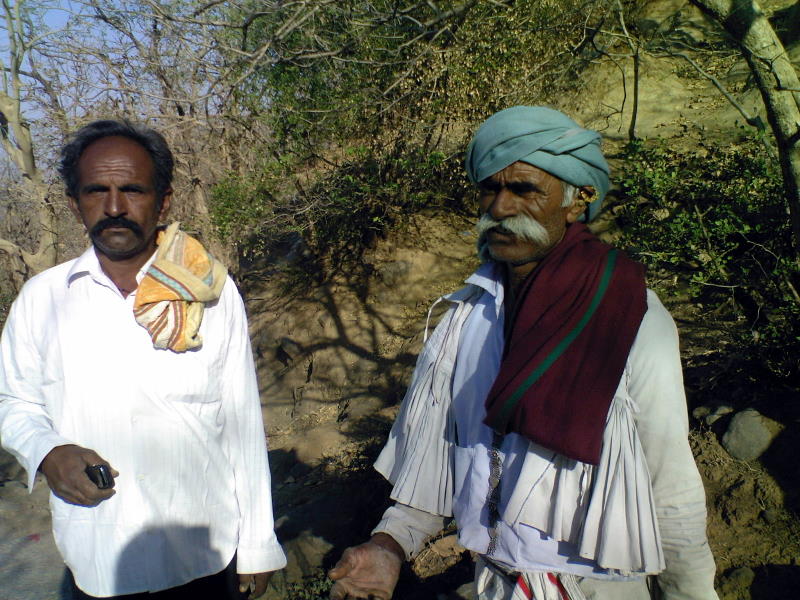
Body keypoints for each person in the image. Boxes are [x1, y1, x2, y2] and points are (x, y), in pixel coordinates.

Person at [328, 106, 719, 600]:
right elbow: (441, 454)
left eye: (524, 189)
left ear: (578, 199)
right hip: (496, 581)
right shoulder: (467, 316)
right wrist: (391, 543)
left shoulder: (631, 314)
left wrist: (690, 593)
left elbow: (668, 478)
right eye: (489, 189)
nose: (501, 207)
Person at [0, 120, 286, 599]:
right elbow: (14, 401)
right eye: (97, 191)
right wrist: (48, 453)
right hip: (98, 559)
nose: (115, 207)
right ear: (74, 203)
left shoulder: (210, 294)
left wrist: (257, 544)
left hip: (204, 557)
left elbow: (241, 423)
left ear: (164, 201)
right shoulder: (41, 299)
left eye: (132, 190)